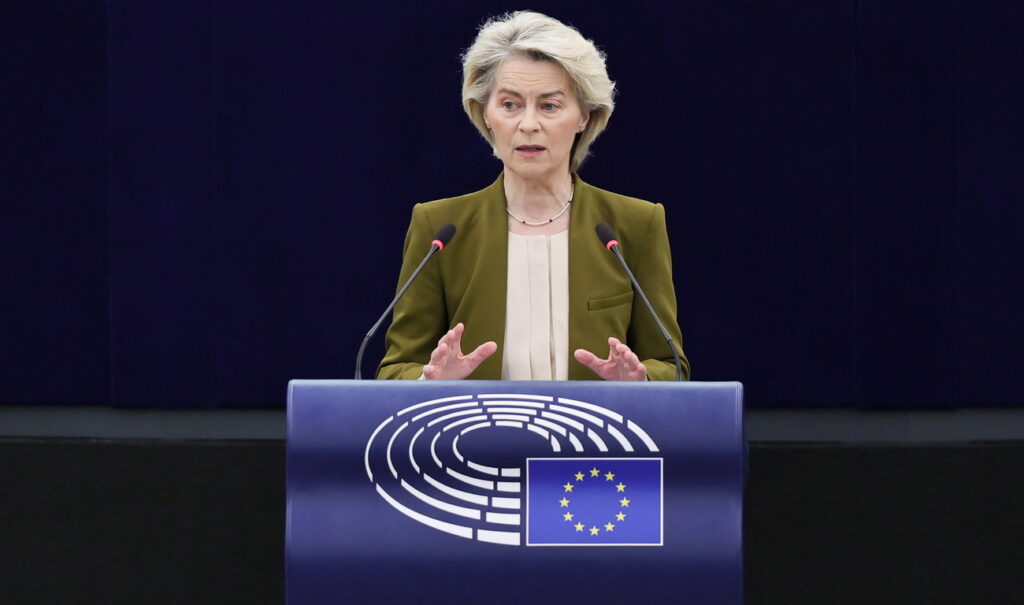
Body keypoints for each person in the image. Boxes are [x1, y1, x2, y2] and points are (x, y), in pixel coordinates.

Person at [377, 11, 690, 382]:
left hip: (596, 423)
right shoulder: (441, 229)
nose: (528, 124)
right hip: (476, 422)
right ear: (485, 113)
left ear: (584, 116)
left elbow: (670, 365)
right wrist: (430, 383)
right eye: (510, 105)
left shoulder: (634, 225)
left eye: (549, 106)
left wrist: (640, 382)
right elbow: (395, 369)